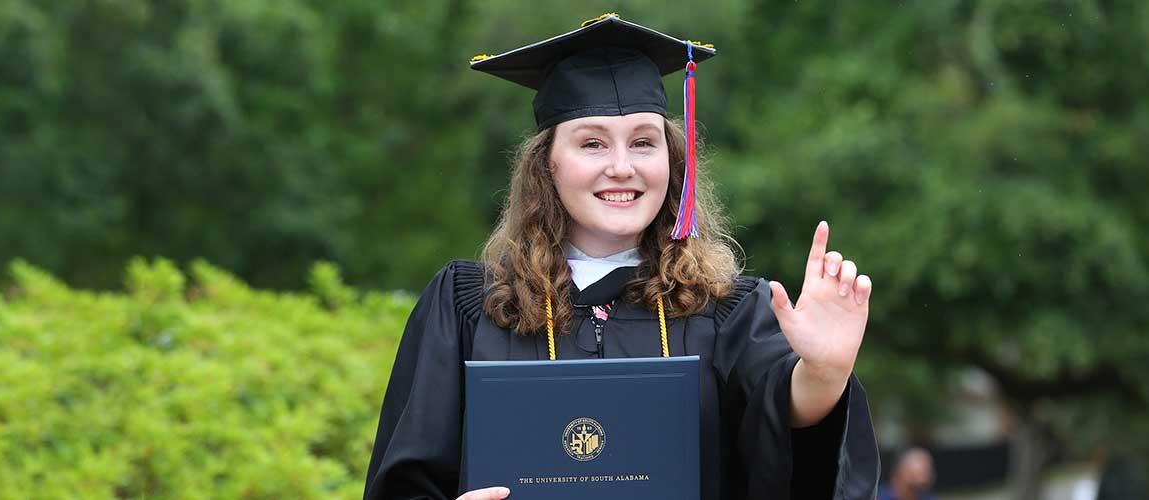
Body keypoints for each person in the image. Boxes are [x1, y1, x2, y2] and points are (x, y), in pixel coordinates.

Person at [362, 14, 882, 500]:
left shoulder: (727, 311)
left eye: (643, 142)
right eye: (592, 144)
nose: (621, 167)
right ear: (547, 166)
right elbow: (407, 480)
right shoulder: (469, 306)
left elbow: (785, 425)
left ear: (672, 162)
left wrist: (824, 372)